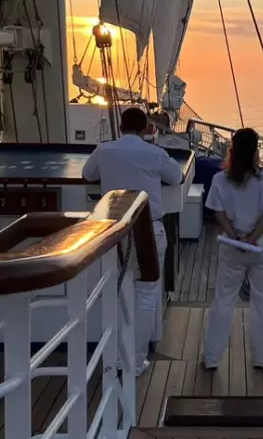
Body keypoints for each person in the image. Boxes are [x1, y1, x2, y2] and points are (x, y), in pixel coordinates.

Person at [82, 107, 184, 376]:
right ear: (146, 128)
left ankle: (113, 359)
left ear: (121, 127)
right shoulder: (154, 153)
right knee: (145, 295)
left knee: (114, 293)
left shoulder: (104, 150)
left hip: (112, 232)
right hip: (147, 230)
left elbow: (88, 175)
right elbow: (177, 177)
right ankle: (135, 362)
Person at [201, 128, 263, 370]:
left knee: (223, 300)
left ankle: (212, 358)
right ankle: (261, 357)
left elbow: (218, 212)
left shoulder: (220, 180)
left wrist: (234, 234)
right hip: (262, 248)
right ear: (256, 151)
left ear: (233, 150)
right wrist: (252, 238)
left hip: (232, 247)